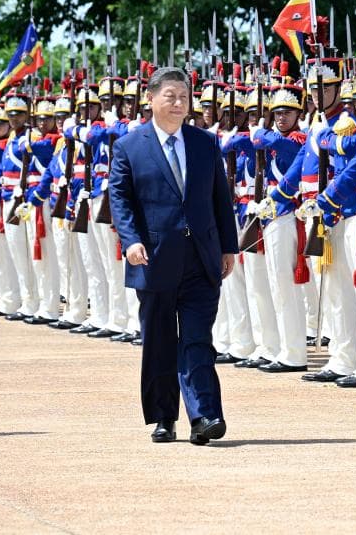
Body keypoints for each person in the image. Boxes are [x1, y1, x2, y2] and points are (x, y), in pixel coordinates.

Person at [108, 65, 239, 445]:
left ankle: (205, 415)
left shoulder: (204, 142)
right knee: (160, 340)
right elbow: (121, 199)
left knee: (198, 338)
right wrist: (130, 241)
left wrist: (228, 246)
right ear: (150, 100)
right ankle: (164, 417)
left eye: (184, 96)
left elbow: (220, 198)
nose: (179, 103)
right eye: (171, 96)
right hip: (153, 258)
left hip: (201, 257)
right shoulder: (129, 146)